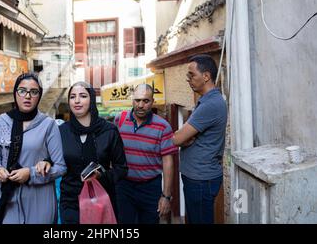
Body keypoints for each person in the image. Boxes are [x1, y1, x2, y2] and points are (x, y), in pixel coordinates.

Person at [39, 81, 127, 224]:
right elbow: (53, 157)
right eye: (72, 96)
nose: (77, 101)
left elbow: (122, 169)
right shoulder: (61, 131)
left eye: (83, 96)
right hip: (70, 202)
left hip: (100, 200)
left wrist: (101, 175)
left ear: (91, 99)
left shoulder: (109, 131)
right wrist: (46, 162)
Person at [0, 72, 66, 224]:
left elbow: (61, 167)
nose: (27, 96)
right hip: (5, 199)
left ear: (39, 95)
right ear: (15, 93)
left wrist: (30, 173)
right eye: (22, 91)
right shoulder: (1, 122)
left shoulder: (48, 125)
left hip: (38, 202)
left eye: (34, 92)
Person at [172, 54, 227, 224]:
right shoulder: (206, 101)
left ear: (206, 76)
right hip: (198, 177)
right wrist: (186, 137)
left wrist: (183, 137)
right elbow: (183, 137)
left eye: (191, 75)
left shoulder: (210, 104)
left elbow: (177, 139)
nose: (188, 79)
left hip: (201, 180)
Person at [114, 84, 178, 224]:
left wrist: (166, 196)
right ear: (132, 100)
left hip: (150, 187)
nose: (141, 105)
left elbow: (168, 162)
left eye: (146, 101)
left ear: (152, 102)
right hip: (124, 186)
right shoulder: (120, 119)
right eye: (137, 100)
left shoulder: (163, 126)